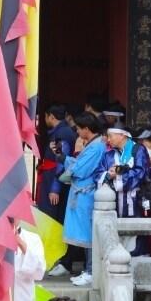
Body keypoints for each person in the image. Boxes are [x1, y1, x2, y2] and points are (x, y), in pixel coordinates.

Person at [58, 112, 107, 286]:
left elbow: (81, 169)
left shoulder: (96, 146)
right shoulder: (95, 144)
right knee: (87, 234)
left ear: (86, 129)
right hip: (83, 192)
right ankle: (88, 270)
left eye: (79, 128)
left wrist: (66, 162)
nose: (77, 132)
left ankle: (91, 271)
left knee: (89, 235)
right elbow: (80, 164)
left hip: (86, 194)